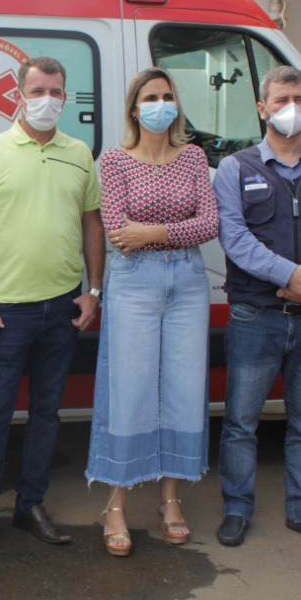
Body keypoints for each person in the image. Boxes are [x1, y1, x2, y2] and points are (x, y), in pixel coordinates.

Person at [0, 56, 104, 560]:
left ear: (66, 96)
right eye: (38, 90)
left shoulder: (80, 153)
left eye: (56, 91)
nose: (48, 100)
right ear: (18, 94)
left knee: (46, 413)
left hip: (62, 306)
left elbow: (91, 225)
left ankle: (31, 504)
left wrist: (94, 290)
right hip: (7, 310)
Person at [212, 65, 301, 550]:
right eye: (280, 100)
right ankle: (237, 508)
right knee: (240, 424)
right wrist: (287, 275)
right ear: (261, 108)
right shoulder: (236, 169)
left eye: (299, 98)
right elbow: (234, 237)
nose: (291, 108)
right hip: (256, 318)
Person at [86, 67, 219, 556]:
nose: (159, 104)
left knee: (183, 387)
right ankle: (116, 503)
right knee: (131, 388)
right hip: (133, 284)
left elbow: (210, 223)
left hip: (186, 281)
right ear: (134, 108)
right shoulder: (116, 161)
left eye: (167, 96)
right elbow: (118, 230)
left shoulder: (194, 158)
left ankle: (170, 498)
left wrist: (155, 234)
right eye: (149, 97)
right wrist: (160, 230)